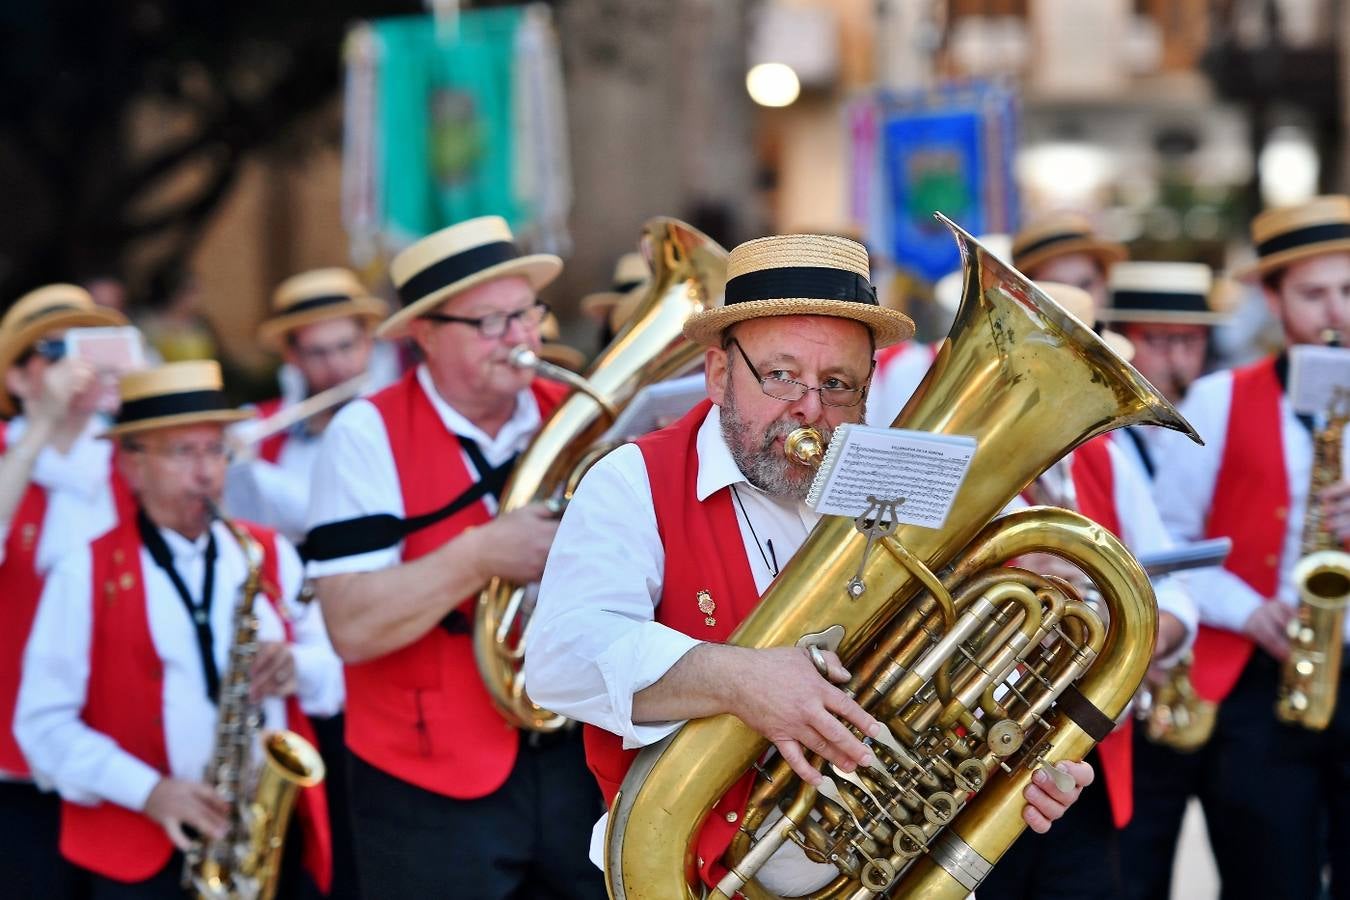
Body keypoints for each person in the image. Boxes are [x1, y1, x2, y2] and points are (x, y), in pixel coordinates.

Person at [526, 233, 1097, 896]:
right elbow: (560, 659)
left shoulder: (894, 480)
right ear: (717, 373)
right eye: (780, 375)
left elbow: (949, 676)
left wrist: (1018, 752)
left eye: (837, 385)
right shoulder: (633, 480)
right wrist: (740, 680)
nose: (809, 409)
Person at [304, 215, 606, 899]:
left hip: (576, 760)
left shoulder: (579, 416)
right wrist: (480, 556)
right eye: (491, 323)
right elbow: (350, 625)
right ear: (425, 335)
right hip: (423, 777)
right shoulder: (365, 434)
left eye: (526, 315)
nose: (520, 339)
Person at [15, 360, 343, 900]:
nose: (207, 473)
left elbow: (338, 676)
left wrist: (298, 666)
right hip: (141, 858)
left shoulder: (268, 552)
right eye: (182, 453)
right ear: (132, 465)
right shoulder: (82, 572)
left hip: (267, 841)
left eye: (216, 450)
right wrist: (150, 792)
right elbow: (43, 727)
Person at [1150, 194, 1350, 900]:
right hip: (1259, 683)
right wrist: (1246, 609)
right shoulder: (1217, 398)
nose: (1337, 312)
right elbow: (1170, 541)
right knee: (1270, 881)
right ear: (1272, 298)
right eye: (1314, 293)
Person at [972, 282, 1197, 900]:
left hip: (1081, 766)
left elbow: (1174, 597)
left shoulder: (1105, 459)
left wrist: (1121, 635)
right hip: (967, 772)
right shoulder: (956, 467)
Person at [0, 284, 131, 899]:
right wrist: (40, 429)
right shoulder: (10, 455)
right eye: (55, 351)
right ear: (19, 379)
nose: (77, 365)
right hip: (14, 761)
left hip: (125, 754)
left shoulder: (130, 459)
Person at [225, 267, 387, 545]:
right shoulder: (257, 427)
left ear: (367, 343)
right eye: (317, 353)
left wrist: (254, 471)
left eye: (346, 346)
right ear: (292, 357)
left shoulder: (395, 420)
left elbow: (328, 512)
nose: (335, 365)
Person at [1012, 212, 1127, 318]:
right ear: (1024, 294)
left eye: (1086, 284)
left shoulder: (1119, 341)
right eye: (1058, 288)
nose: (1076, 299)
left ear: (1103, 283)